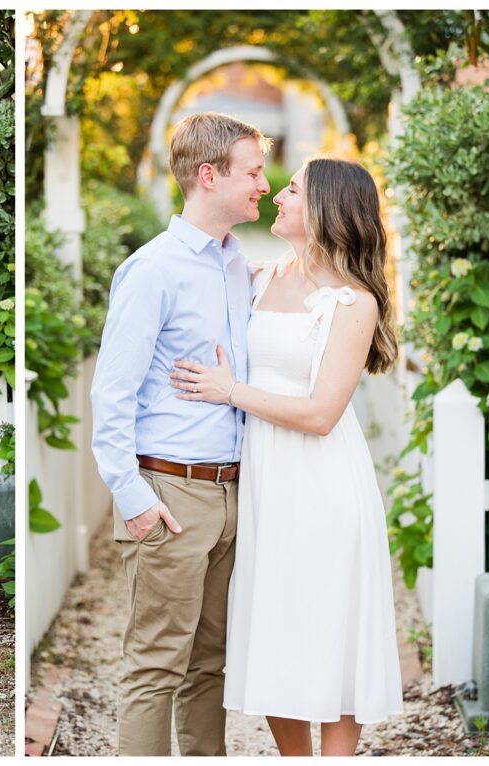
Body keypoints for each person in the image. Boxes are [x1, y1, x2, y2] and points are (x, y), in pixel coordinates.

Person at [169, 158, 404, 755]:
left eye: (292, 189)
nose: (276, 195)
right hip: (266, 484)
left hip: (324, 486)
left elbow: (323, 413)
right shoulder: (262, 277)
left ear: (324, 208)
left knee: (331, 625)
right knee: (274, 628)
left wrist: (230, 391)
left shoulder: (353, 302)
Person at [90, 112, 272, 756]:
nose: (264, 184)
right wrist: (132, 495)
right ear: (208, 175)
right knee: (155, 666)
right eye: (252, 172)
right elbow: (111, 392)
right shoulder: (154, 270)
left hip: (232, 491)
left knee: (209, 666)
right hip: (169, 493)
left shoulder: (234, 264)